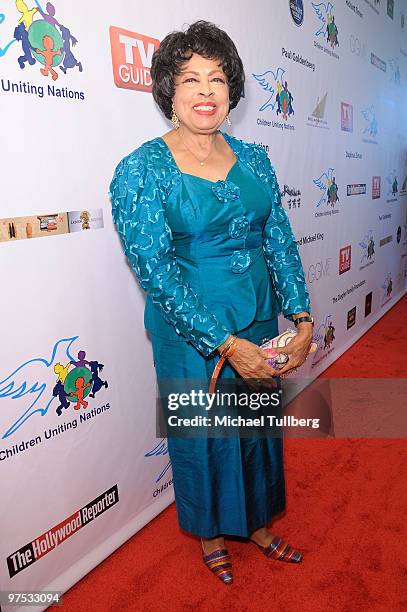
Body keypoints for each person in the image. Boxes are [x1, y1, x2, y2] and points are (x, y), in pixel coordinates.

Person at [109, 20, 314, 585]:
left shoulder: (255, 158)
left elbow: (279, 238)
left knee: (255, 433)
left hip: (257, 317)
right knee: (203, 437)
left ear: (232, 92)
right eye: (191, 79)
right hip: (191, 334)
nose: (206, 91)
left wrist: (301, 316)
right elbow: (155, 271)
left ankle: (259, 524)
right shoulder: (141, 169)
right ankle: (211, 534)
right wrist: (225, 344)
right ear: (168, 93)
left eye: (218, 79)